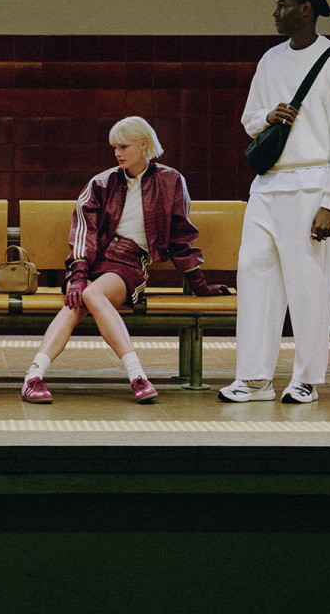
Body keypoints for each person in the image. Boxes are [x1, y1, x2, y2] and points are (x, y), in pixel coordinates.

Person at [219, 0, 330, 405]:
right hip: (267, 184)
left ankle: (306, 379)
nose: (275, 13)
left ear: (306, 9)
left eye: (283, 5)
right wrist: (269, 115)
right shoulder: (270, 60)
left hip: (312, 185)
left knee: (308, 284)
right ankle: (254, 378)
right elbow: (249, 118)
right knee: (254, 275)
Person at [21, 116, 229, 405]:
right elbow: (83, 232)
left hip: (128, 263)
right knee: (78, 299)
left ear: (143, 144)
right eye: (114, 147)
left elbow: (181, 236)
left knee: (90, 294)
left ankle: (133, 374)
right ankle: (36, 377)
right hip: (92, 261)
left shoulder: (171, 181)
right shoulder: (101, 182)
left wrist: (199, 284)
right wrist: (78, 276)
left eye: (123, 146)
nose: (117, 153)